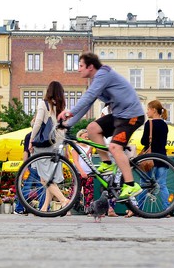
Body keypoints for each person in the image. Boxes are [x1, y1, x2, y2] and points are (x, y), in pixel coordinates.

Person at [58, 52, 145, 200]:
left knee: (115, 147)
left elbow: (87, 97)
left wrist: (70, 112)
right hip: (119, 115)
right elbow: (87, 104)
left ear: (90, 67)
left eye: (80, 66)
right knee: (92, 129)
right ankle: (107, 163)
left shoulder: (103, 74)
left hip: (131, 115)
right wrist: (67, 125)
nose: (78, 69)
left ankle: (131, 185)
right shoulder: (96, 81)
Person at [30, 81, 70, 212]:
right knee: (50, 178)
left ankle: (64, 201)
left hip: (45, 146)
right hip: (57, 146)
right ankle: (45, 207)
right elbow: (64, 129)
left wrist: (31, 139)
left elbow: (38, 123)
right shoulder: (62, 107)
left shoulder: (43, 103)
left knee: (44, 179)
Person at [71, 129, 95, 214]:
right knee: (75, 191)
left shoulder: (89, 147)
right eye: (85, 136)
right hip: (79, 172)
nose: (87, 138)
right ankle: (69, 209)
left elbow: (89, 159)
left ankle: (89, 209)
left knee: (89, 192)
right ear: (80, 136)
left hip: (89, 172)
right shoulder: (76, 147)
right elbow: (76, 161)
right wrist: (81, 172)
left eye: (88, 137)